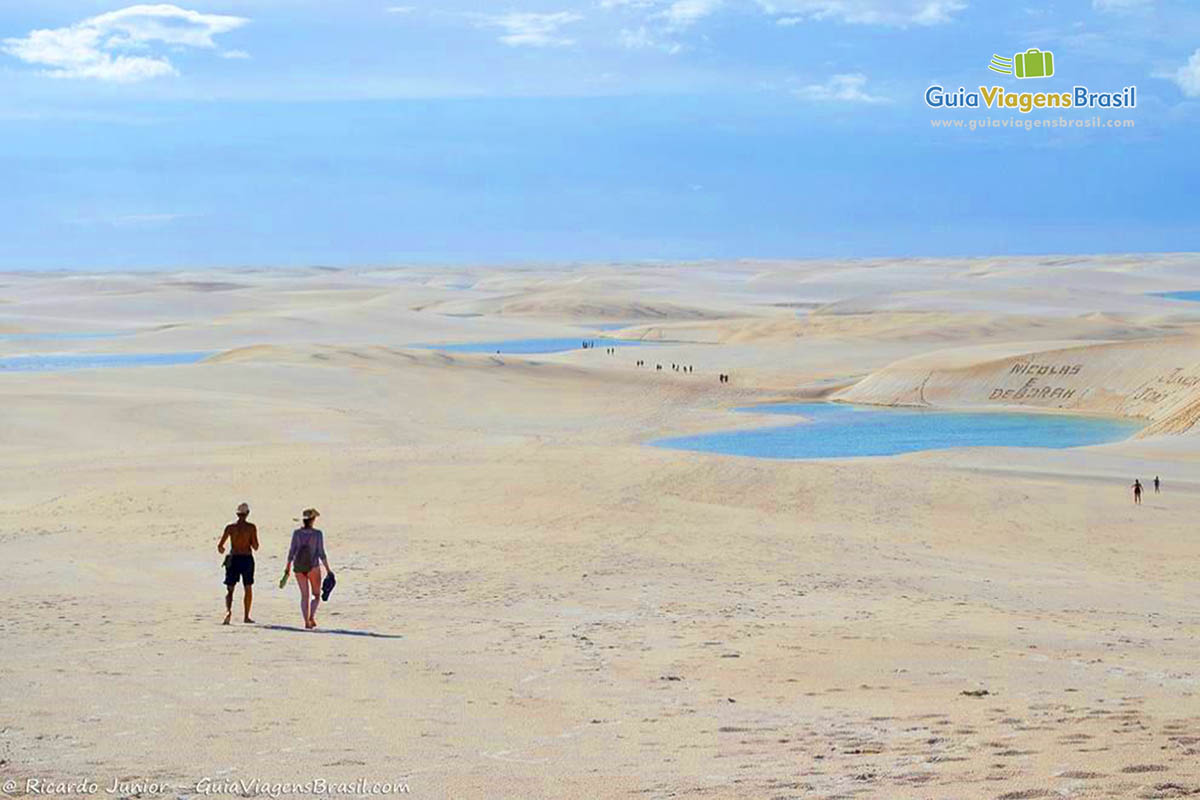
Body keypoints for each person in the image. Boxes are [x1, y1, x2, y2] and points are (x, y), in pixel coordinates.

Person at [284, 508, 333, 629]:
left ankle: (306, 621)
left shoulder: (296, 533)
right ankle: (311, 617)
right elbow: (321, 553)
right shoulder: (317, 534)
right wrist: (328, 570)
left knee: (304, 596)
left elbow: (292, 551)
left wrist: (287, 567)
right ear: (313, 520)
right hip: (313, 567)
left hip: (299, 567)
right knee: (316, 595)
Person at [218, 502, 259, 625]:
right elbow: (255, 546)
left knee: (230, 589)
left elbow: (220, 546)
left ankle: (228, 611)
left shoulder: (230, 527)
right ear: (247, 514)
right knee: (248, 587)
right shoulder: (251, 527)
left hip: (234, 558)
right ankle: (246, 616)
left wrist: (224, 549)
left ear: (237, 514)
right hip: (246, 559)